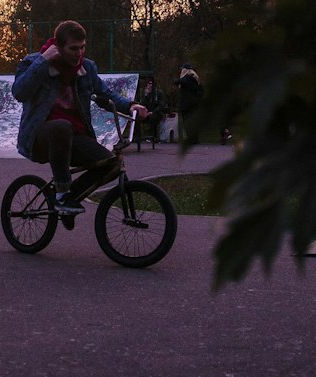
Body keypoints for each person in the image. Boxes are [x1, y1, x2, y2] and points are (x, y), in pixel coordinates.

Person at [12, 20, 148, 228]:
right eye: (73, 48)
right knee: (61, 126)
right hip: (40, 138)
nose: (79, 53)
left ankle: (67, 201)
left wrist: (131, 105)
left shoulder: (87, 68)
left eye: (82, 47)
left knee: (110, 164)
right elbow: (19, 92)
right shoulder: (33, 62)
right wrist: (43, 61)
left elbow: (106, 93)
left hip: (75, 138)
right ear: (58, 47)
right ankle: (62, 194)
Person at [135, 76, 168, 149]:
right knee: (136, 119)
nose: (149, 86)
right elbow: (142, 104)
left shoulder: (159, 93)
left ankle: (154, 136)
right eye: (148, 84)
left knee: (153, 119)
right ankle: (137, 137)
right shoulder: (146, 93)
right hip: (147, 112)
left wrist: (152, 112)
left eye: (151, 84)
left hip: (156, 113)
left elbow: (161, 105)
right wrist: (146, 96)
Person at [176, 62, 203, 143]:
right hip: (195, 104)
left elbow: (179, 81)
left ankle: (191, 138)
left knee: (187, 121)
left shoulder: (187, 78)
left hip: (187, 104)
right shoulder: (196, 79)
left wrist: (174, 80)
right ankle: (195, 138)